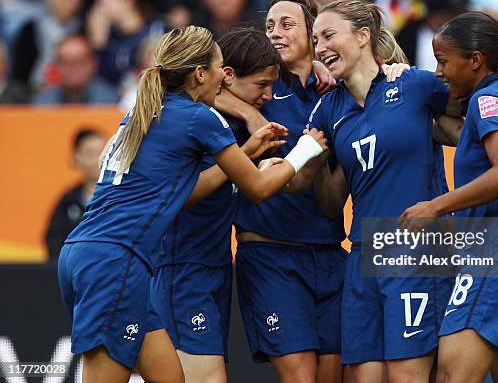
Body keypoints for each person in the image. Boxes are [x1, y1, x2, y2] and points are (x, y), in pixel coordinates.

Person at [57, 25, 327, 382]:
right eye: (219, 67)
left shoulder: (144, 110)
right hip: (117, 260)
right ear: (201, 73)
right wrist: (307, 148)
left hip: (87, 253)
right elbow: (259, 188)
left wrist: (244, 152)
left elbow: (185, 188)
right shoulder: (199, 117)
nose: (224, 77)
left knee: (173, 378)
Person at [400, 11, 498, 382]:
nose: (438, 72)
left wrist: (435, 206)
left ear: (475, 60)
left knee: (452, 375)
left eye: (442, 61)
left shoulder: (486, 101)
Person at [309, 0, 463, 382]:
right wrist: (313, 166)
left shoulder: (415, 84)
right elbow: (331, 206)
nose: (320, 47)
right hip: (363, 253)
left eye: (329, 35)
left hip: (417, 250)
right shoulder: (328, 109)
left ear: (364, 36)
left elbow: (472, 122)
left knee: (406, 376)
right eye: (315, 40)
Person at [216, 0, 348, 383]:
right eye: (269, 25)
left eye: (287, 25)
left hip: (329, 252)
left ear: (314, 34)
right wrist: (249, 115)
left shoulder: (335, 89)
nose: (274, 33)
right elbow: (206, 83)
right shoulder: (260, 85)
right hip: (270, 255)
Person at [150, 28, 284, 383]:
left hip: (213, 265)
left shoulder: (218, 120)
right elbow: (250, 188)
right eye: (261, 85)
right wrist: (305, 153)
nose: (268, 96)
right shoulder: (194, 119)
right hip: (183, 268)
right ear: (219, 75)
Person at [45, 129, 106, 261]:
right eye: (91, 153)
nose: (99, 159)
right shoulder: (68, 200)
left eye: (103, 151)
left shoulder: (121, 195)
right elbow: (54, 240)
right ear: (76, 158)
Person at [34, 35, 119, 104]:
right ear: (56, 65)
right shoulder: (44, 103)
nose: (72, 69)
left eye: (79, 61)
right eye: (65, 62)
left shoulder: (110, 102)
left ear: (92, 64)